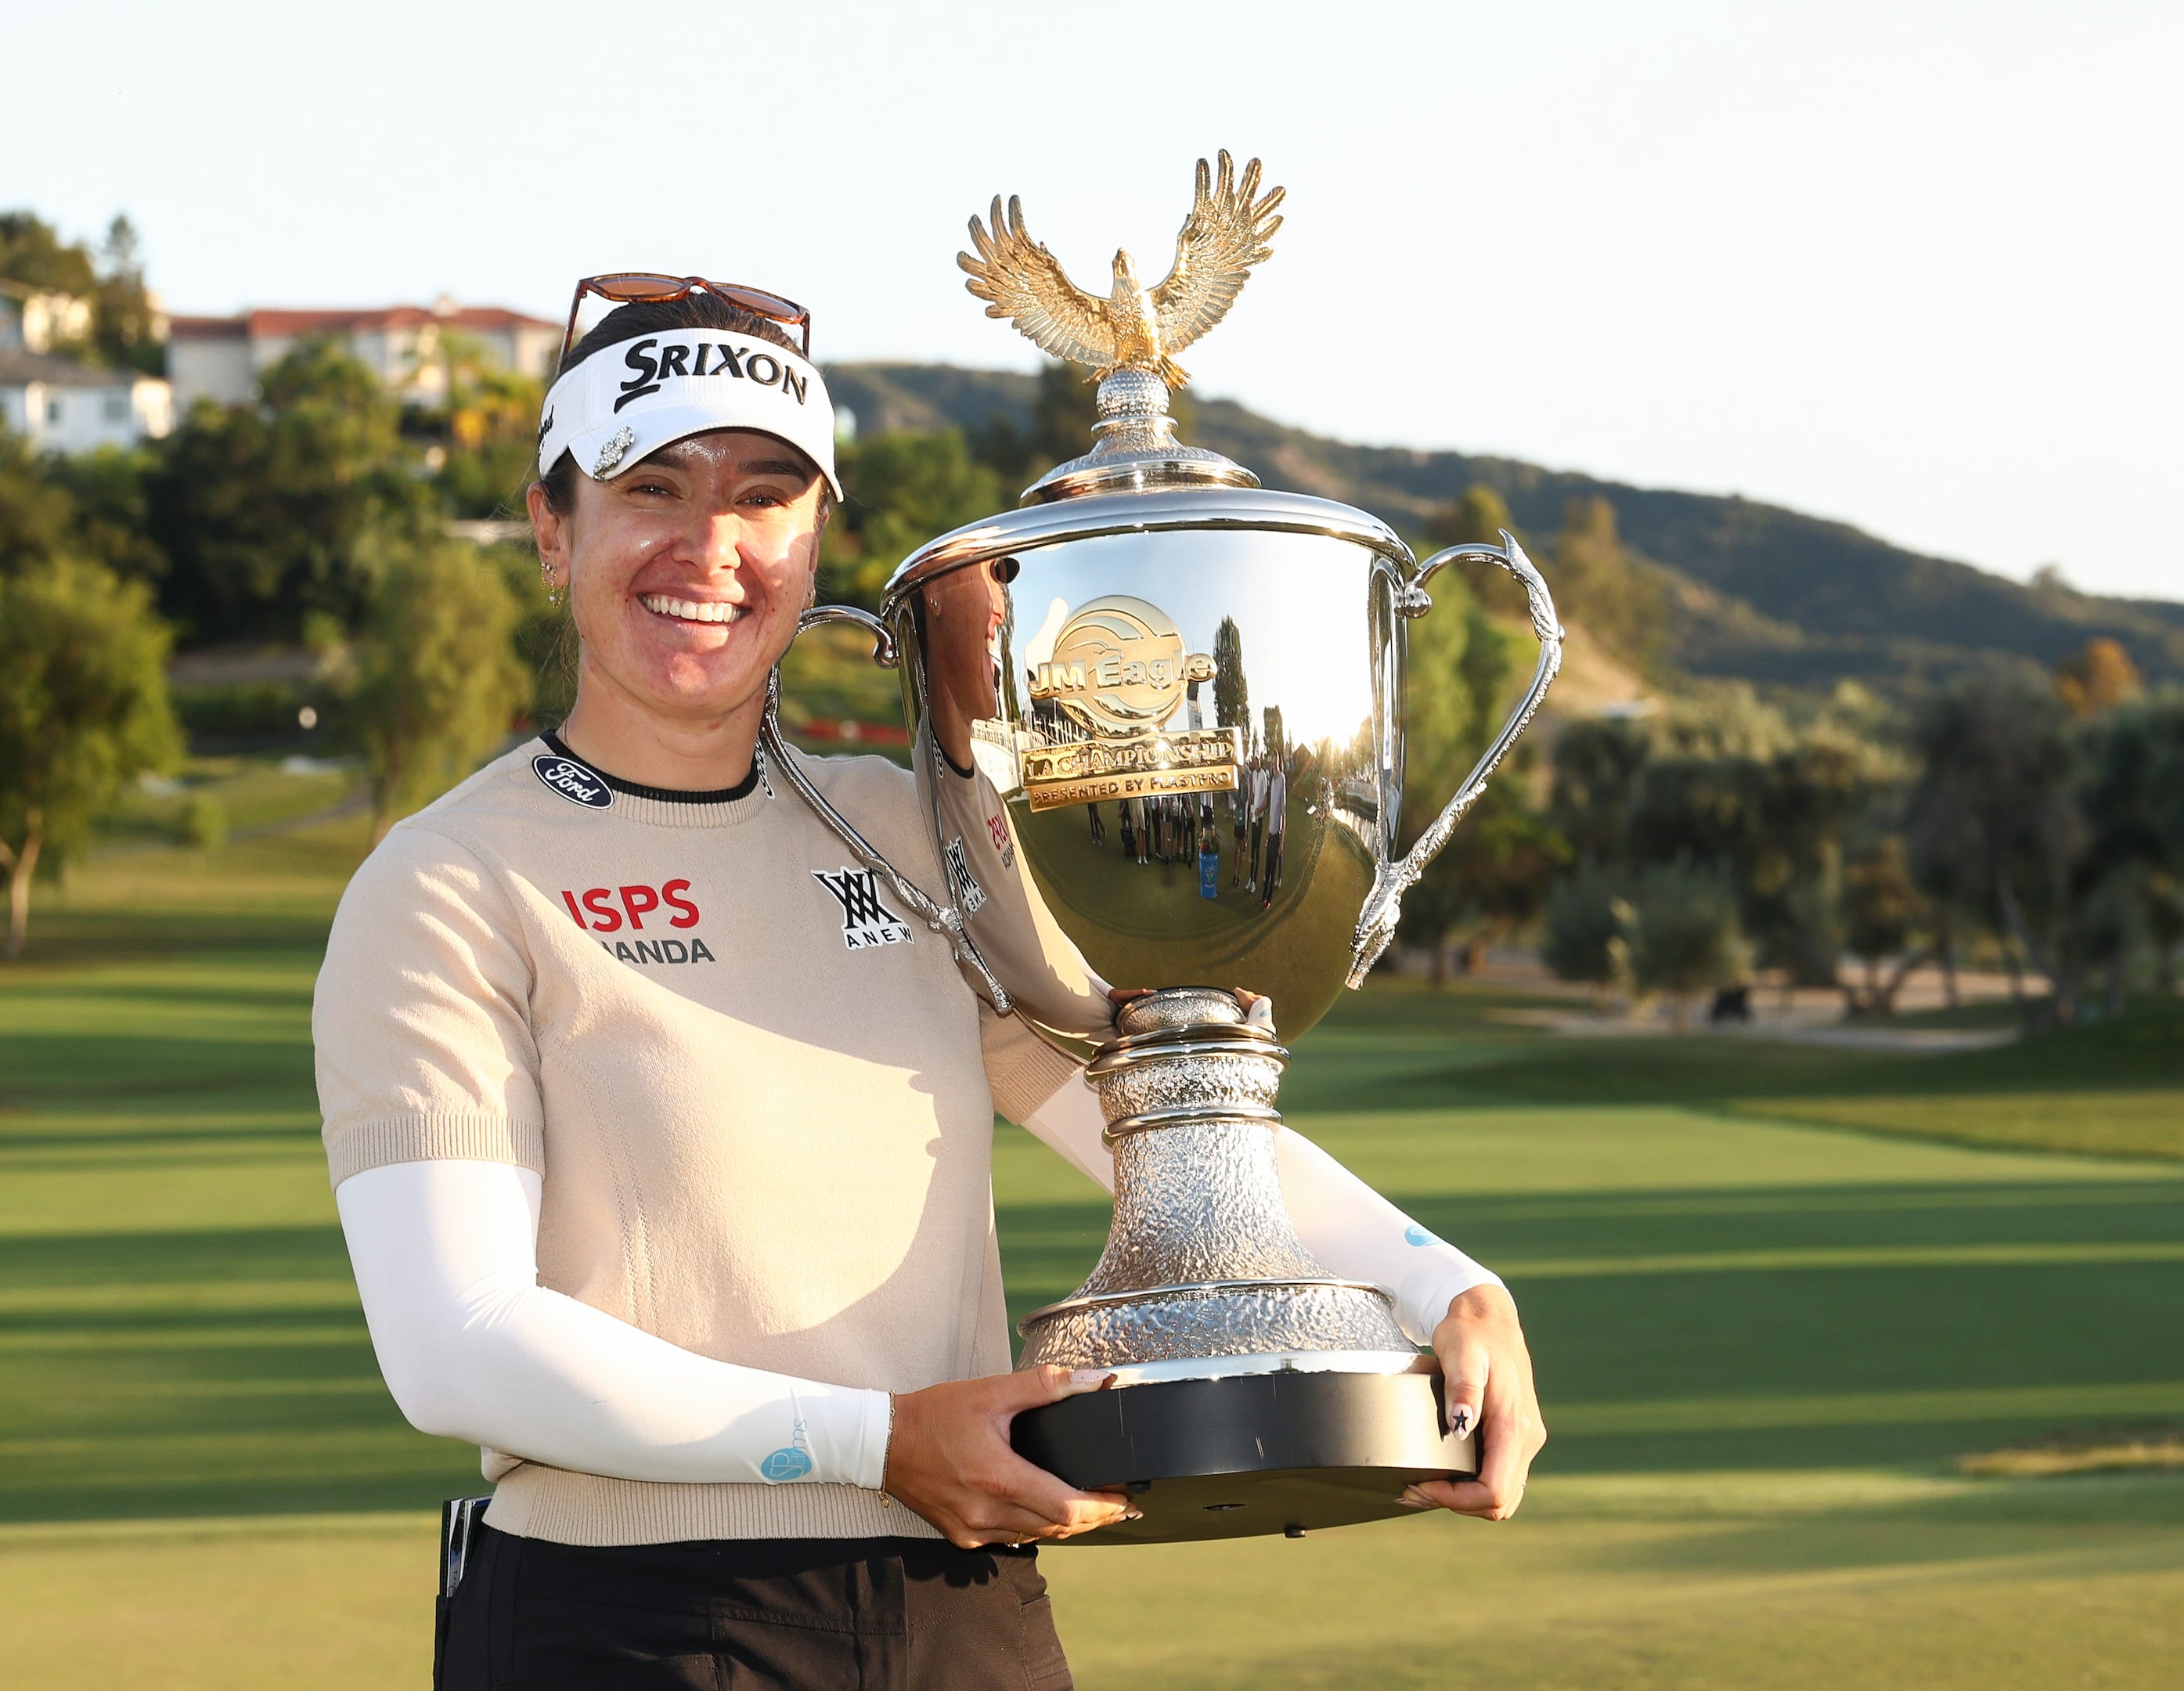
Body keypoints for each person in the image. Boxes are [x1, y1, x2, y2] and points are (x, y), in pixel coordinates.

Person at [315, 278, 1547, 1690]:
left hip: (963, 1609)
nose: (710, 545)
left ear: (818, 534)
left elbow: (1152, 1119)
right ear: (553, 526)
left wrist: (1446, 1286)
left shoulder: (911, 829)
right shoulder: (451, 882)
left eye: (766, 495)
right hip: (630, 1622)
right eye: (652, 485)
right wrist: (878, 1441)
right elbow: (456, 1349)